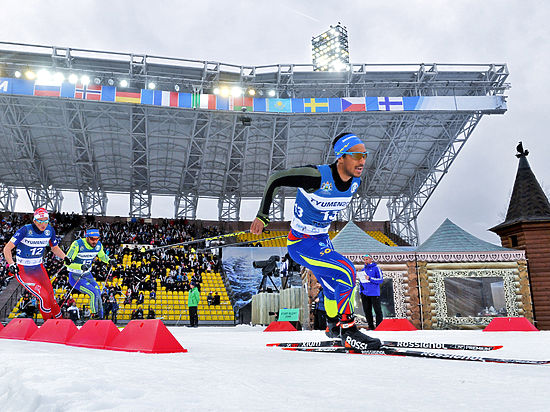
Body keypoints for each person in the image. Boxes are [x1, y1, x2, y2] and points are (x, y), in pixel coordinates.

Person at [250, 132, 381, 351]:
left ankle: (332, 326)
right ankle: (348, 331)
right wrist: (262, 215)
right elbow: (276, 178)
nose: (362, 160)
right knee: (347, 270)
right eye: (356, 155)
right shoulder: (316, 176)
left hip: (322, 240)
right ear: (341, 157)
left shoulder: (355, 181)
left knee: (332, 288)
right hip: (301, 243)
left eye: (364, 155)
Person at [3, 208, 67, 320]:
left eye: (45, 220)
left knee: (51, 297)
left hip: (39, 269)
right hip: (24, 270)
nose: (43, 224)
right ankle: (48, 324)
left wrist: (65, 257)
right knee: (44, 297)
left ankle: (60, 323)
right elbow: (7, 249)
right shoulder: (25, 230)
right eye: (40, 221)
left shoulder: (50, 230)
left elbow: (54, 248)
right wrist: (12, 264)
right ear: (34, 220)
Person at [64, 228, 116, 319]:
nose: (94, 241)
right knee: (93, 292)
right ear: (87, 237)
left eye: (97, 239)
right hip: (75, 276)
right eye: (92, 239)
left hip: (87, 274)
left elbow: (102, 256)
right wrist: (80, 267)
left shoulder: (98, 245)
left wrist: (109, 261)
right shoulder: (77, 244)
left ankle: (101, 317)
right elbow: (66, 262)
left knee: (98, 292)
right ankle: (94, 315)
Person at [358, 254, 384, 330]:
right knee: (367, 310)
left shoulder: (376, 268)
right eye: (364, 259)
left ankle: (379, 326)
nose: (365, 261)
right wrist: (361, 291)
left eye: (367, 259)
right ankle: (370, 326)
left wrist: (370, 278)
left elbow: (380, 280)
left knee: (377, 310)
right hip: (365, 293)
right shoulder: (363, 270)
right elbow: (361, 282)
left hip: (374, 293)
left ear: (371, 259)